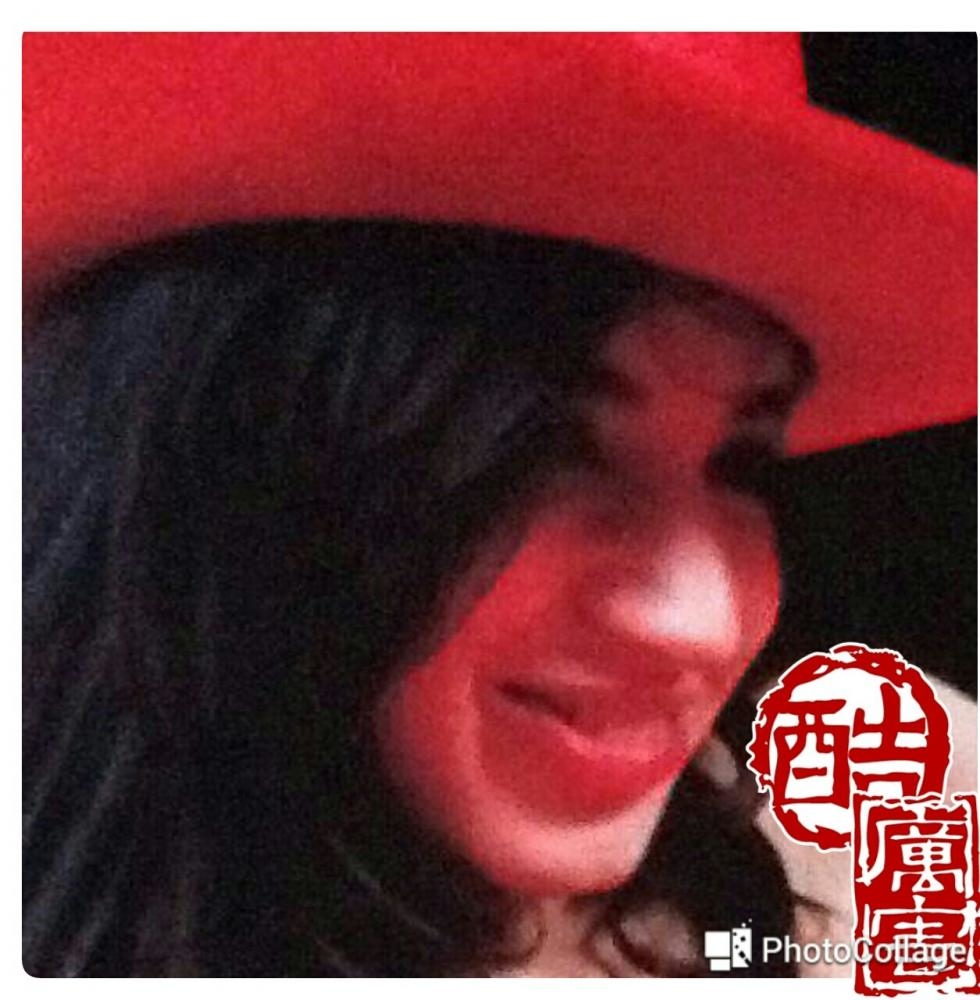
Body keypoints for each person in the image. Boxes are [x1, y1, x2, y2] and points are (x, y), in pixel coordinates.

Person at [22, 34, 976, 977]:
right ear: (222, 455)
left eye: (743, 464)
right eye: (540, 447)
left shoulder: (893, 831)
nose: (700, 622)